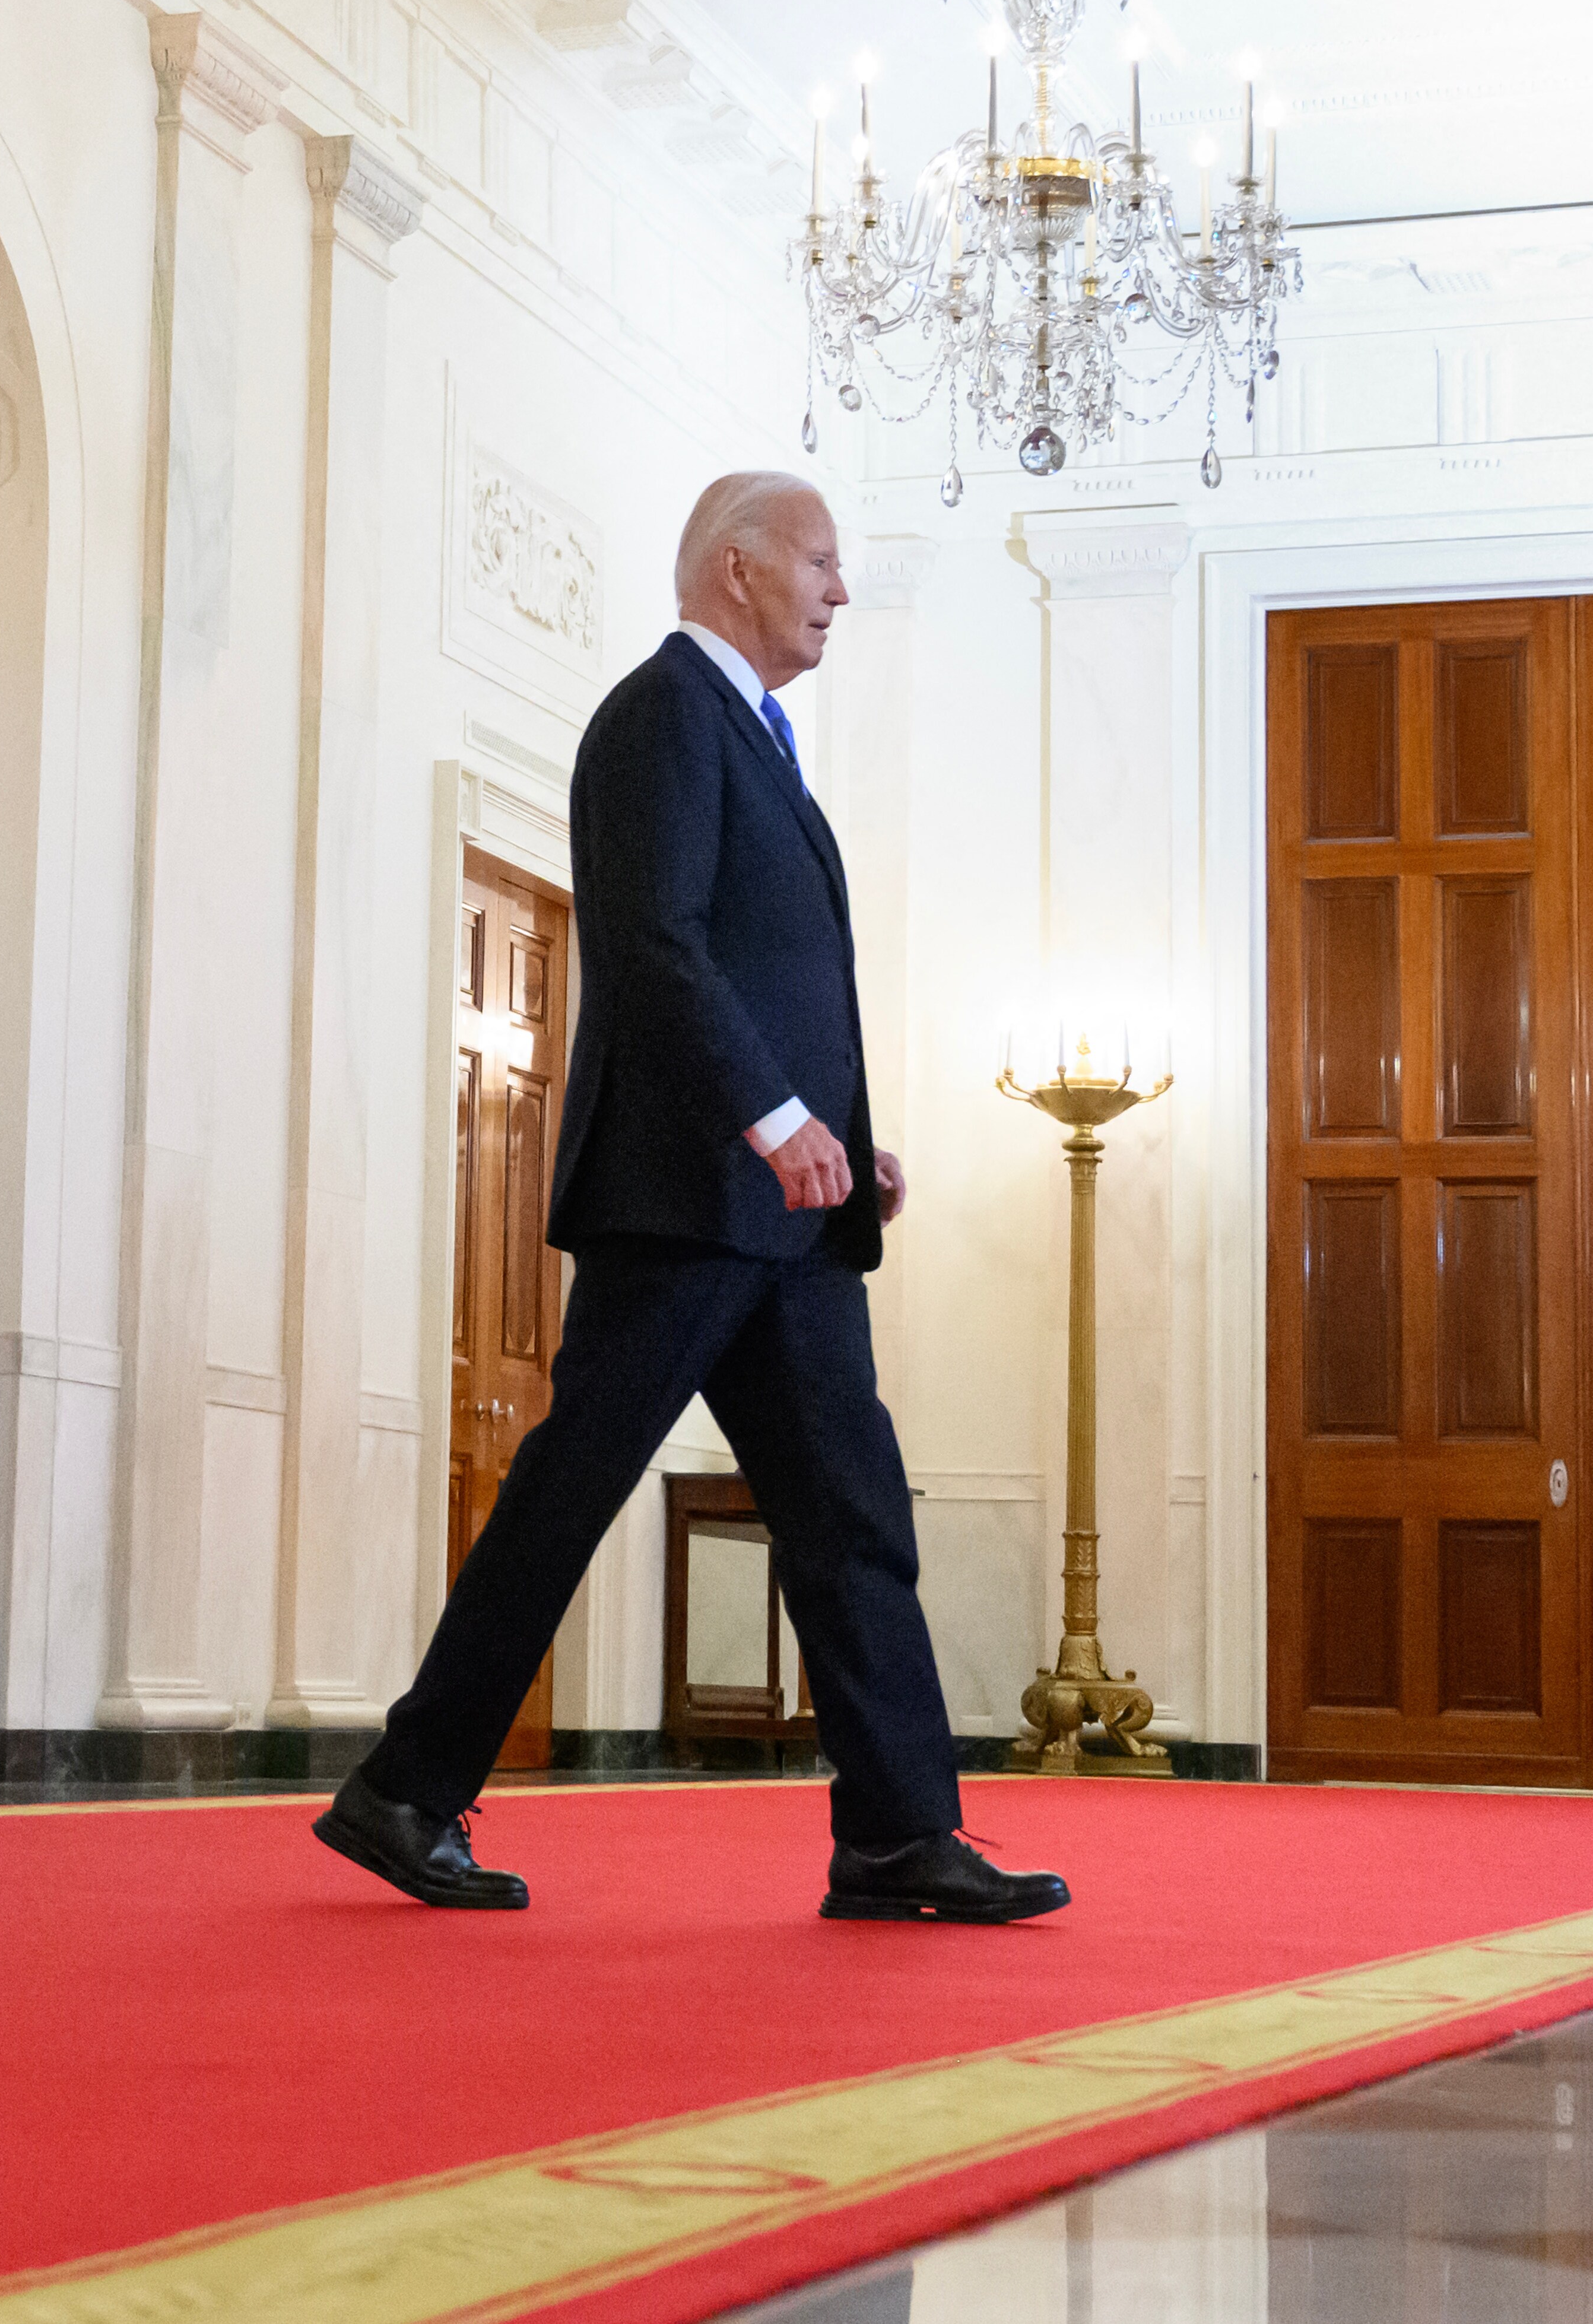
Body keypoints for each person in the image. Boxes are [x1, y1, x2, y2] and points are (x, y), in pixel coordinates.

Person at [318, 472, 1066, 1925]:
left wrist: (843, 1137)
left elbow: (767, 968)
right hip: (679, 1204)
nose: (839, 590)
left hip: (781, 1219)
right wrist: (778, 1117)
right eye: (820, 561)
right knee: (573, 1488)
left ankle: (900, 1835)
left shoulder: (758, 740)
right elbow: (655, 946)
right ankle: (409, 1789)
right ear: (736, 569)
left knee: (853, 1515)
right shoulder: (660, 715)